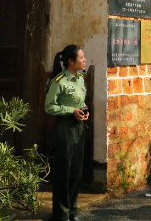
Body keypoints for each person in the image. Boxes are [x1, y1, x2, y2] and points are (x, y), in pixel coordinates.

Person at [45, 45, 89, 221]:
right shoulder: (59, 81)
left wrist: (83, 110)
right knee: (64, 172)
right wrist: (72, 111)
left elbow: (80, 101)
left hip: (78, 127)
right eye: (81, 57)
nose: (84, 60)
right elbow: (49, 107)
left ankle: (72, 213)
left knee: (76, 172)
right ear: (71, 61)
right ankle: (61, 215)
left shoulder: (80, 79)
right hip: (64, 128)